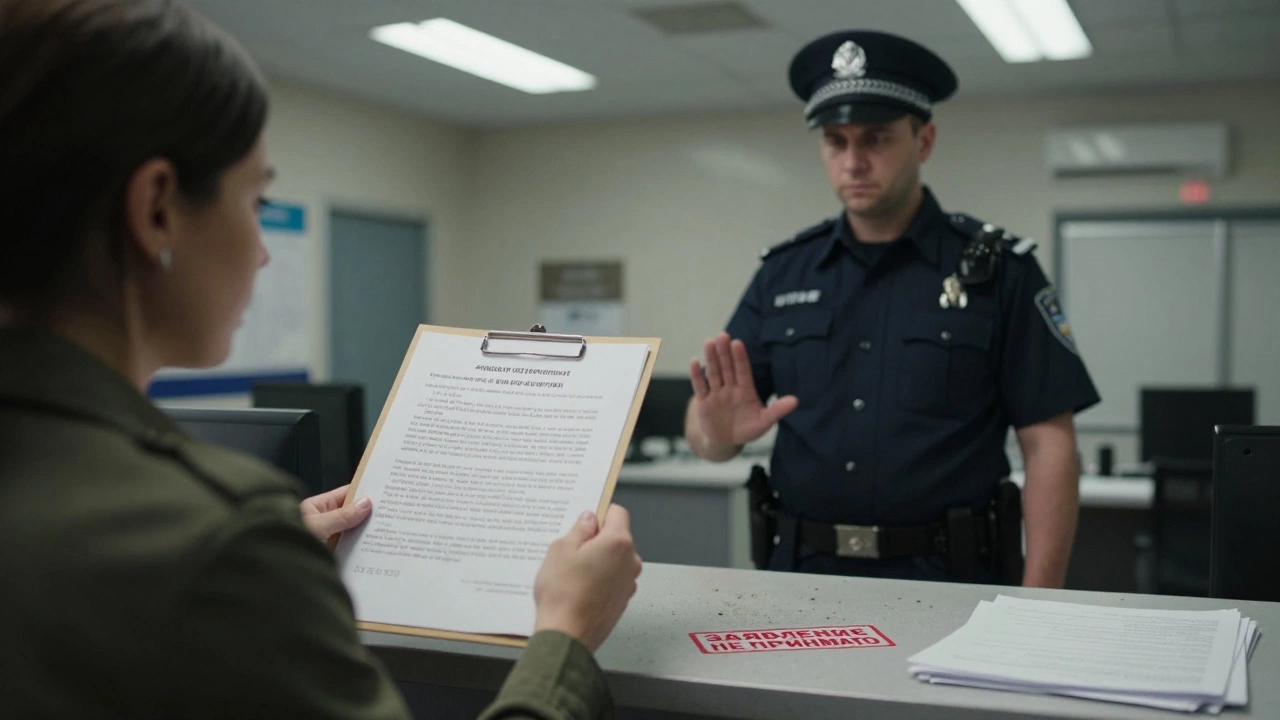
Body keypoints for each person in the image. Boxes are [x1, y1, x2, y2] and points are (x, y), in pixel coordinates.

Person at [0, 1, 640, 718]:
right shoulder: (217, 534)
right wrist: (565, 635)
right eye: (257, 201)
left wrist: (266, 560)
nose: (264, 248)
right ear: (156, 209)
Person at [685, 30, 1100, 587]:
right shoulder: (784, 274)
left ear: (923, 140)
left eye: (876, 138)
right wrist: (715, 436)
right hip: (799, 577)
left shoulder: (1002, 270)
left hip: (949, 578)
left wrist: (1040, 602)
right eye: (836, 141)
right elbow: (711, 429)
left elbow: (1049, 444)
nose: (853, 161)